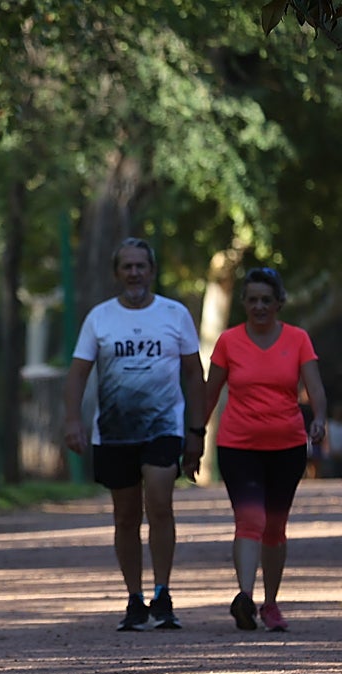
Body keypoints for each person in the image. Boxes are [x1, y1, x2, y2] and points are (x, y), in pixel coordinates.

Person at [64, 237, 206, 631]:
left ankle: (163, 594)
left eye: (140, 266)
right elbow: (78, 372)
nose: (134, 273)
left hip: (163, 427)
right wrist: (72, 421)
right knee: (125, 516)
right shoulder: (100, 318)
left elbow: (194, 374)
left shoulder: (174, 315)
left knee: (160, 503)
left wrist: (197, 429)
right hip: (114, 432)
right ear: (116, 273)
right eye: (126, 266)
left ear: (152, 270)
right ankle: (134, 599)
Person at [204, 267, 326, 632]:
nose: (258, 306)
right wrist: (194, 435)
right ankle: (245, 598)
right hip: (238, 445)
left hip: (286, 446)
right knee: (250, 520)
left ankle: (271, 603)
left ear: (278, 304)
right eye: (252, 299)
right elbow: (210, 393)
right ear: (243, 302)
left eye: (266, 300)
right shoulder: (228, 341)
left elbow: (314, 386)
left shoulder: (298, 339)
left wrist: (318, 419)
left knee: (274, 527)